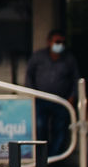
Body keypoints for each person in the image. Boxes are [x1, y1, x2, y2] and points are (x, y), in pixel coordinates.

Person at [24, 29, 79, 157]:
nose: (60, 45)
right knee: (39, 126)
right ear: (49, 42)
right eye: (57, 42)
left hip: (61, 100)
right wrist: (32, 94)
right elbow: (29, 76)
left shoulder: (69, 59)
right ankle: (41, 157)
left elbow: (76, 79)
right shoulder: (38, 56)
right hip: (40, 99)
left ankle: (54, 159)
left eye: (63, 42)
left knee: (59, 128)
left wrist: (72, 96)